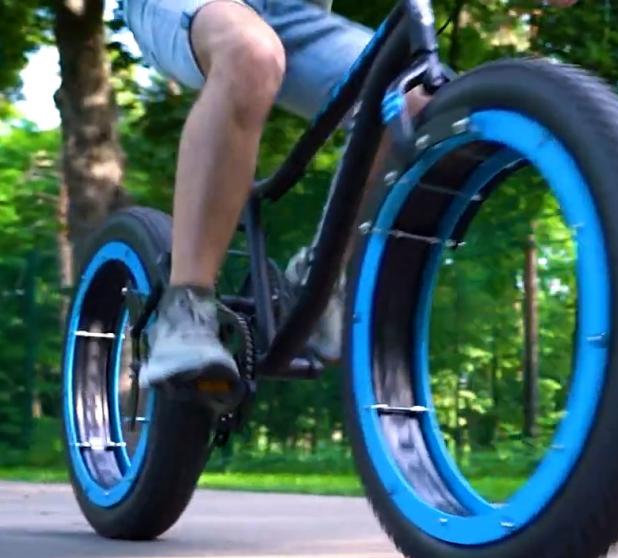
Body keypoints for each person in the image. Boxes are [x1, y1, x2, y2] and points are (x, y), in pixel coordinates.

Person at [123, 0, 416, 388]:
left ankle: (319, 281)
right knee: (249, 52)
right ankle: (184, 309)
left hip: (288, 9)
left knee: (409, 96)